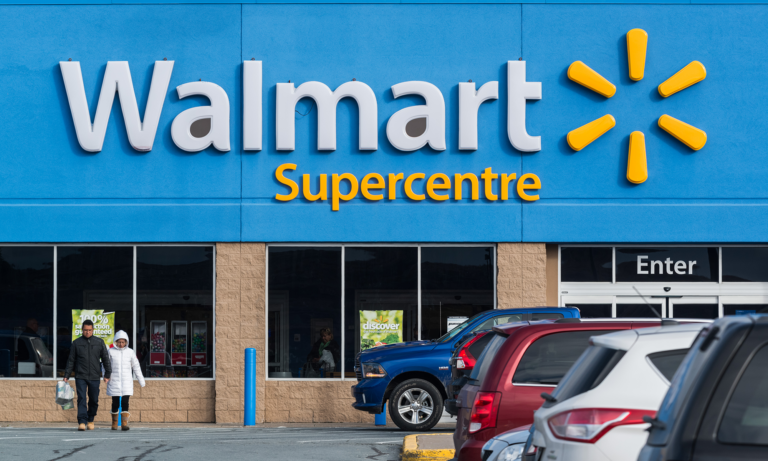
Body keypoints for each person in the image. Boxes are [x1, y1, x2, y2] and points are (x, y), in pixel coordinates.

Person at [63, 320, 112, 431]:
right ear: (82, 330)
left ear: (93, 330)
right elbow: (71, 360)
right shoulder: (76, 343)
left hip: (94, 376)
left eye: (89, 330)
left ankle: (90, 419)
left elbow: (105, 359)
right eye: (85, 330)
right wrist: (67, 375)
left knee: (94, 399)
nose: (87, 332)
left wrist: (107, 374)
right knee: (81, 399)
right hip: (81, 376)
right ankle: (82, 422)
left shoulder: (99, 342)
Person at [106, 330, 145, 431]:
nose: (121, 344)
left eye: (123, 342)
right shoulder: (110, 352)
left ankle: (124, 423)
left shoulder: (130, 352)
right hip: (114, 381)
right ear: (115, 341)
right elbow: (106, 366)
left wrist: (141, 381)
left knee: (125, 402)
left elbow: (136, 366)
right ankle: (114, 423)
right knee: (115, 403)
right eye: (119, 342)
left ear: (126, 342)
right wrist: (106, 376)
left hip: (127, 382)